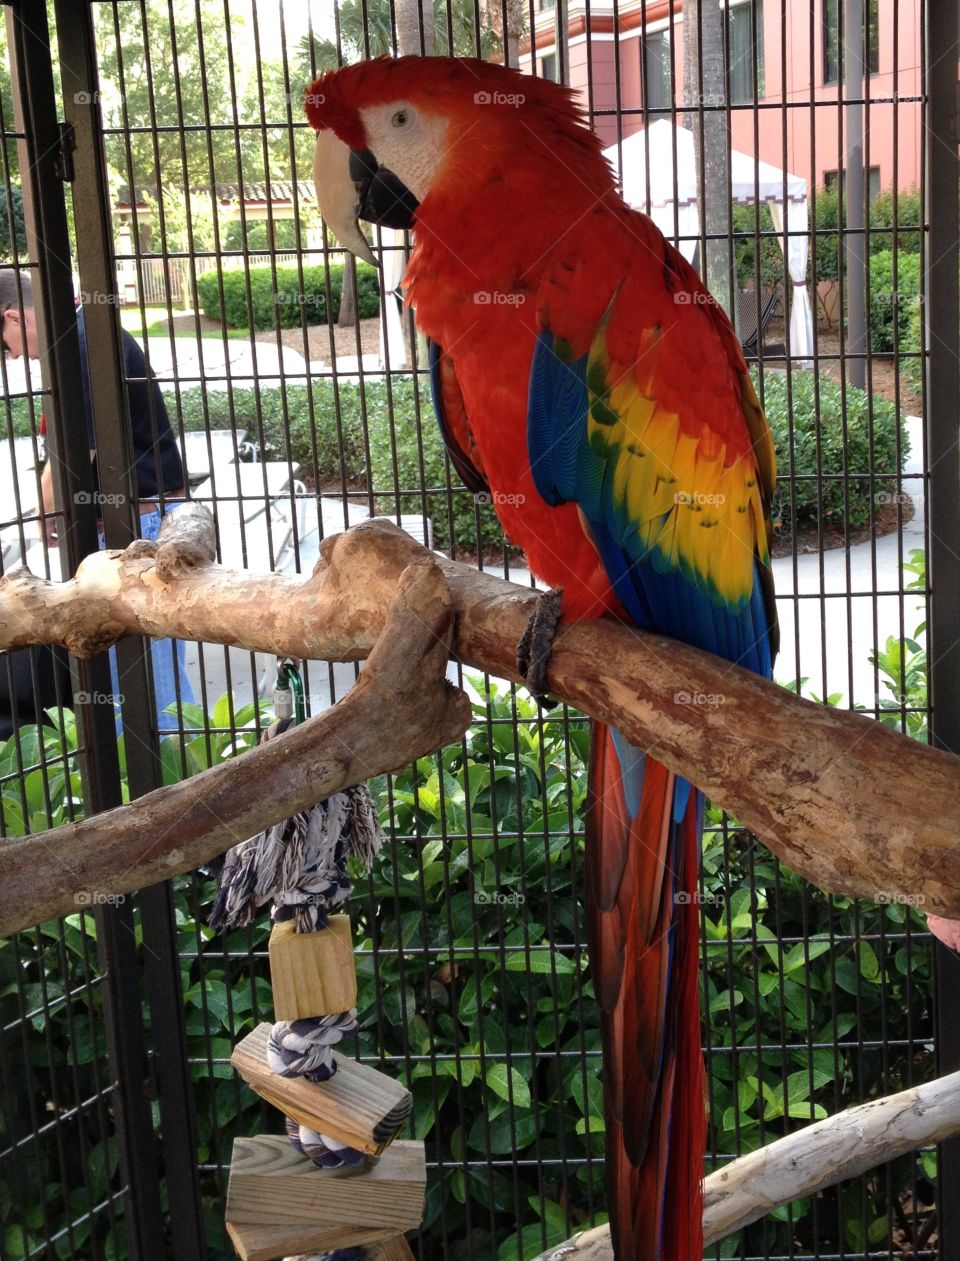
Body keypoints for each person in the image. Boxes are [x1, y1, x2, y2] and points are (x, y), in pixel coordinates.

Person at [0, 271, 195, 733]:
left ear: (12, 316)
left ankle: (177, 792)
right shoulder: (84, 332)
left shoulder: (81, 344)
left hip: (140, 529)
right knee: (150, 686)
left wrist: (46, 511)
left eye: (7, 346)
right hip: (138, 523)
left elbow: (71, 454)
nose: (16, 357)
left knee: (148, 697)